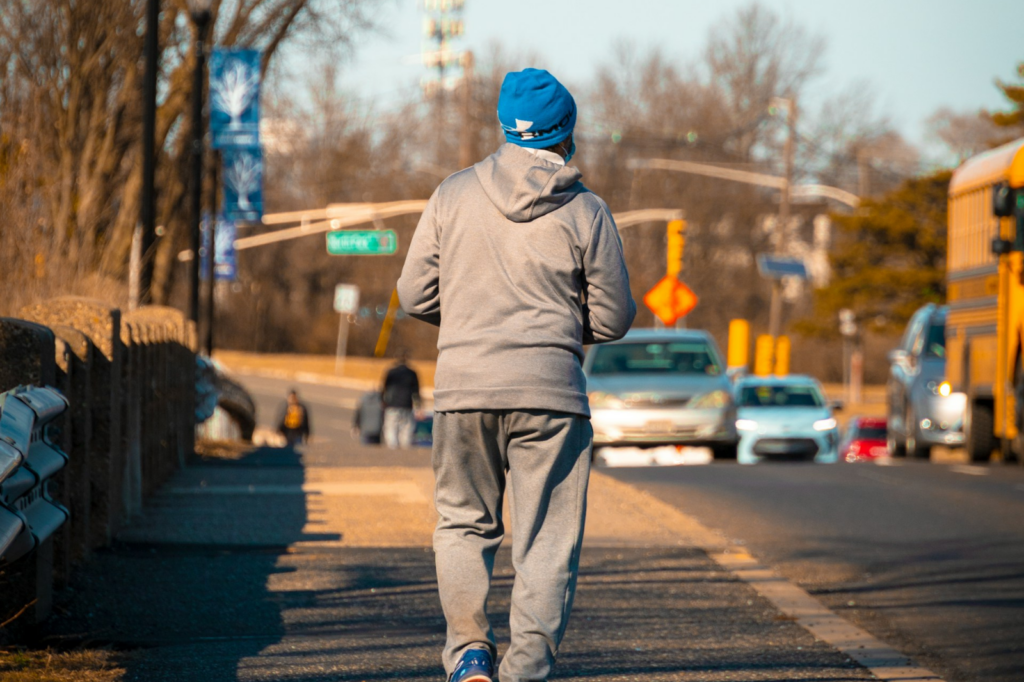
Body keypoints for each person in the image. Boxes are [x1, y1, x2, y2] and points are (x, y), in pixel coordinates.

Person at [397, 68, 635, 682]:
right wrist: (558, 328)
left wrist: (473, 317)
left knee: (462, 524)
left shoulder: (451, 194)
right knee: (546, 543)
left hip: (463, 388)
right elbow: (613, 320)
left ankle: (469, 656)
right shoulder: (587, 210)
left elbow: (413, 294)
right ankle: (524, 672)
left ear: (504, 127)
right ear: (566, 134)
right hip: (552, 397)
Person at [381, 351, 421, 449]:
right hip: (407, 405)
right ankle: (404, 452)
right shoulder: (412, 373)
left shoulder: (391, 372)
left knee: (391, 428)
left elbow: (384, 388)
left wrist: (383, 401)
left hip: (392, 405)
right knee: (406, 430)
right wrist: (418, 406)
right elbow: (416, 392)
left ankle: (392, 450)